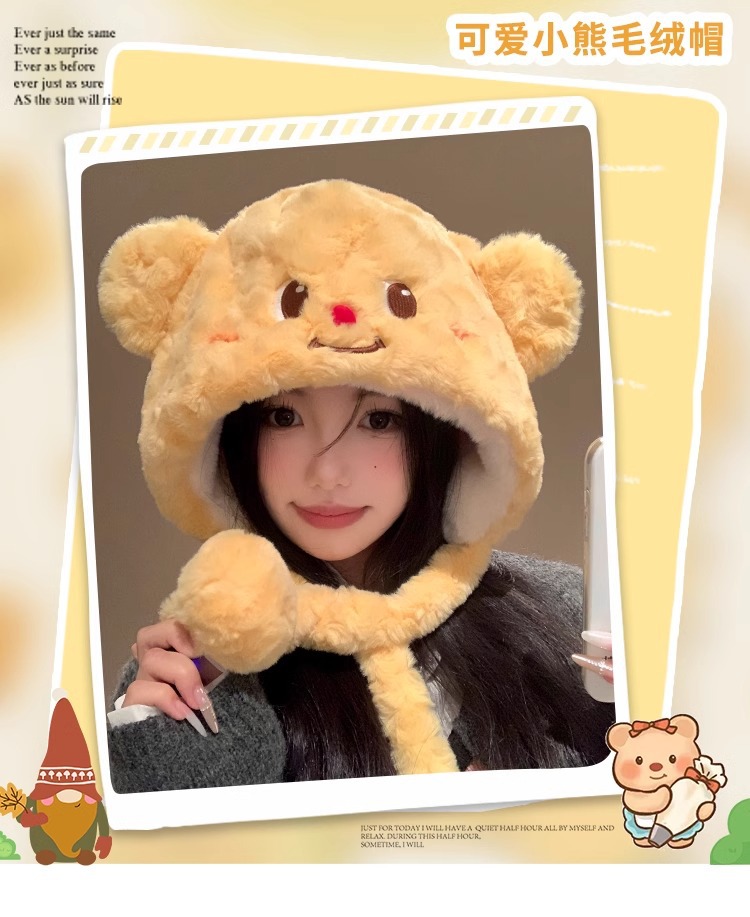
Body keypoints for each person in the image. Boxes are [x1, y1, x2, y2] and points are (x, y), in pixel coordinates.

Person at [100, 179, 616, 791]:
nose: (326, 472)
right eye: (283, 417)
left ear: (442, 433)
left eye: (377, 420)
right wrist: (160, 740)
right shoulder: (198, 661)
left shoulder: (567, 615)